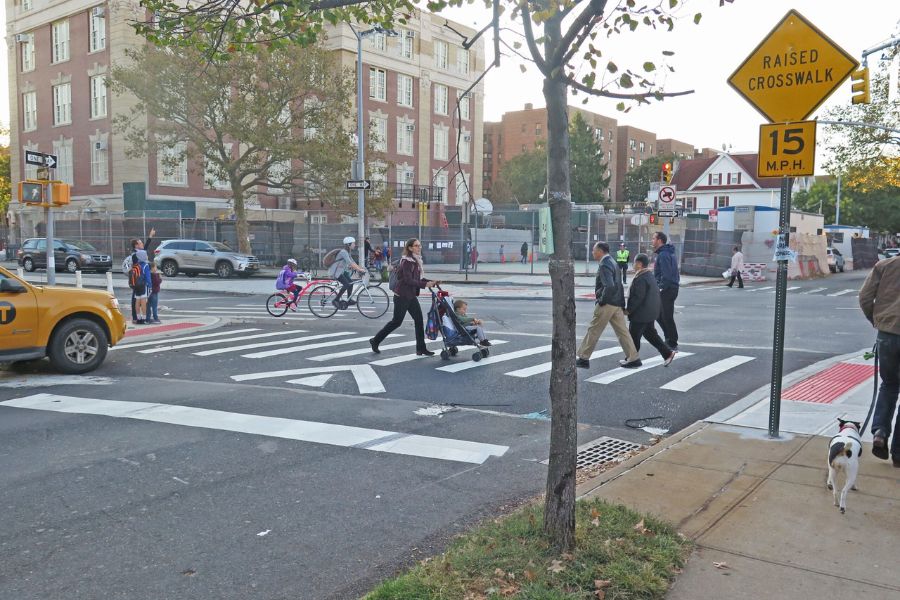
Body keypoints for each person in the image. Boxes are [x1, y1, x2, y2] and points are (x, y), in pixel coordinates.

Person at [859, 254, 900, 467]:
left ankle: (881, 432)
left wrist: (877, 321)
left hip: (887, 335)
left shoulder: (884, 266)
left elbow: (865, 297)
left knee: (889, 385)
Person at [576, 241, 641, 369]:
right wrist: (621, 304)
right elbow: (619, 285)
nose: (592, 252)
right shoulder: (612, 261)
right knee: (623, 332)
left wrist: (601, 300)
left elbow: (610, 285)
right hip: (616, 303)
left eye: (594, 250)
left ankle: (583, 358)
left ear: (600, 251)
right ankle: (633, 358)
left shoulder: (605, 264)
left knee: (594, 330)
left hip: (607, 303)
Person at [370, 238, 438, 356]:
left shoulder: (415, 260)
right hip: (402, 296)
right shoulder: (407, 262)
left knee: (418, 321)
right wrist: (425, 284)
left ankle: (421, 348)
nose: (419, 247)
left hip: (410, 295)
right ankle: (375, 340)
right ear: (410, 248)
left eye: (419, 245)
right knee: (396, 322)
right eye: (416, 246)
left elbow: (418, 279)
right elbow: (408, 280)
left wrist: (431, 281)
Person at [626, 254, 675, 365]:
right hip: (649, 312)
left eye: (634, 263)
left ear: (639, 264)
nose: (633, 265)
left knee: (633, 336)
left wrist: (628, 310)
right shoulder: (648, 275)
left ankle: (633, 359)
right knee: (651, 335)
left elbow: (638, 297)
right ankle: (667, 353)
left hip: (641, 314)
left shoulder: (641, 277)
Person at [652, 231, 680, 351]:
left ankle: (672, 341)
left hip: (667, 289)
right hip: (670, 288)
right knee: (659, 314)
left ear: (659, 240)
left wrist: (660, 287)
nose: (652, 240)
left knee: (666, 316)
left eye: (653, 238)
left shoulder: (663, 254)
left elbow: (666, 275)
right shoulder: (666, 253)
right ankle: (669, 338)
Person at [328, 236, 366, 308]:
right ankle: (336, 300)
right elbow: (350, 263)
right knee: (346, 284)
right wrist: (359, 270)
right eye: (353, 243)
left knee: (350, 283)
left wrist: (360, 269)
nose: (354, 245)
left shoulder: (347, 252)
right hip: (335, 272)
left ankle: (349, 299)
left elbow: (353, 262)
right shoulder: (343, 252)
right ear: (349, 244)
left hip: (341, 272)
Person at [128, 228, 155, 324]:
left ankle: (138, 318)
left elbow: (144, 249)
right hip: (141, 281)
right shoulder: (137, 255)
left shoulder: (135, 253)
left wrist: (150, 237)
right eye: (140, 243)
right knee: (140, 300)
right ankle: (142, 318)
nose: (142, 244)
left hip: (136, 280)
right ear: (136, 245)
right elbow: (144, 250)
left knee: (136, 299)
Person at [132, 250, 152, 324]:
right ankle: (144, 319)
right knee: (143, 302)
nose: (147, 256)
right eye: (146, 255)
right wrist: (150, 286)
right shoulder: (146, 265)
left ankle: (138, 318)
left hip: (136, 286)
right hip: (144, 285)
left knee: (137, 302)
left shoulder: (136, 265)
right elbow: (148, 277)